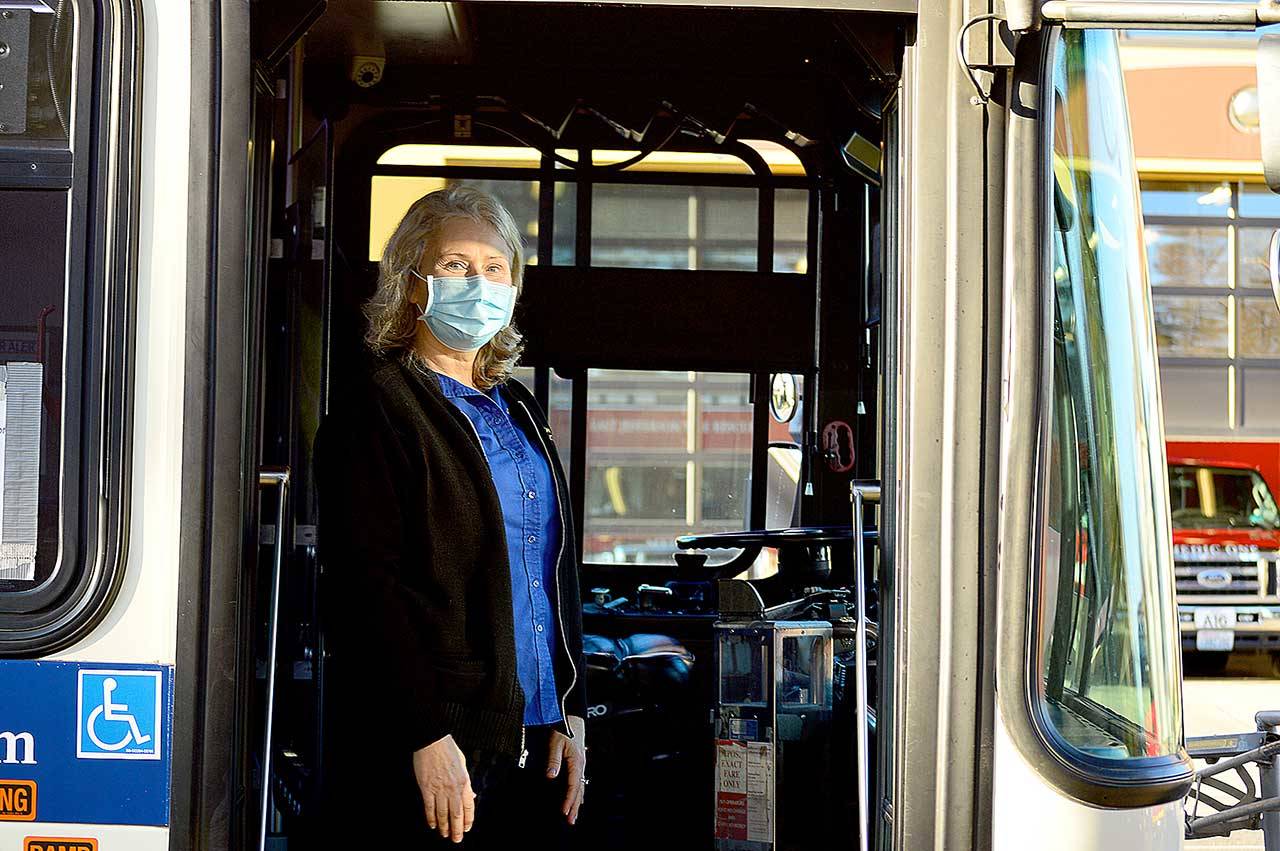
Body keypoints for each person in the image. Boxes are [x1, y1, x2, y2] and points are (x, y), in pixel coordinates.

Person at [316, 185, 587, 847]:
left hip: (536, 731)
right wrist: (424, 734)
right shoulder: (377, 410)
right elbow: (365, 589)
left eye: (495, 268)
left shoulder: (518, 409)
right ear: (412, 285)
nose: (479, 283)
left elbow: (552, 567)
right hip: (440, 741)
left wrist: (571, 708)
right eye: (457, 265)